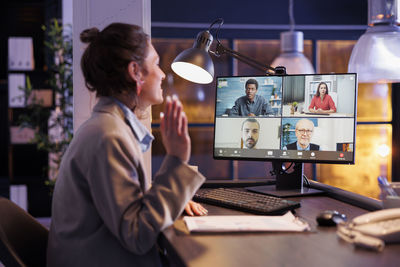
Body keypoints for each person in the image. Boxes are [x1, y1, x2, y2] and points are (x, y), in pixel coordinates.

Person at [47, 23, 208, 267]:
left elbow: (123, 199)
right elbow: (138, 235)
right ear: (135, 71)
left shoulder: (107, 127)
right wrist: (176, 160)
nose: (162, 74)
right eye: (155, 63)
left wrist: (171, 197)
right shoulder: (108, 137)